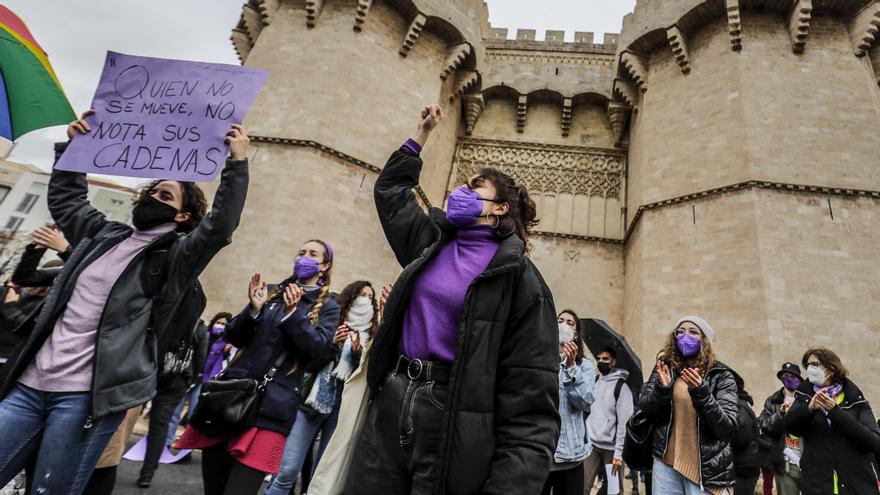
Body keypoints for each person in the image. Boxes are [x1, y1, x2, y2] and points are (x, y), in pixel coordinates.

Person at [0, 110, 250, 495]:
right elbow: (68, 198)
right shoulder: (104, 235)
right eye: (151, 190)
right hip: (30, 385)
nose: (153, 196)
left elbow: (219, 228)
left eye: (165, 195)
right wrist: (74, 147)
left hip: (85, 399)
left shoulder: (175, 258)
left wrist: (237, 163)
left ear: (183, 215)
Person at [345, 104, 559, 495]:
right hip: (391, 397)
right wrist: (421, 135)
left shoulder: (524, 284)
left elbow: (531, 401)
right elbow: (390, 193)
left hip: (450, 416)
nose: (462, 190)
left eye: (475, 187)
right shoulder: (430, 242)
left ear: (499, 209)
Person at [175, 239, 340, 495]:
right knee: (214, 488)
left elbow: (316, 351)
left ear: (325, 265)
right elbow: (234, 336)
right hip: (231, 398)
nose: (304, 257)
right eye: (301, 252)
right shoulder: (272, 292)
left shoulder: (329, 307)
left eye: (312, 254)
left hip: (270, 409)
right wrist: (252, 310)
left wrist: (293, 314)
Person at [264, 280, 379, 495]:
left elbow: (363, 379)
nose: (366, 300)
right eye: (361, 294)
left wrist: (356, 354)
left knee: (322, 477)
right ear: (350, 297)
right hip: (311, 403)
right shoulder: (331, 321)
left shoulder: (370, 338)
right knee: (287, 471)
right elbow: (310, 362)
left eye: (370, 297)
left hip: (341, 411)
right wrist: (333, 344)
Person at [637, 316, 738, 495]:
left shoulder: (721, 375)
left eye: (693, 332)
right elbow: (645, 410)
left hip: (705, 471)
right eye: (680, 332)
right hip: (666, 463)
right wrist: (662, 389)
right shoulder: (665, 367)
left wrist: (702, 393)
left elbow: (727, 429)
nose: (685, 336)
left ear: (704, 340)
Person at [782, 348, 880, 495]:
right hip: (818, 484)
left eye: (815, 364)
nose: (810, 369)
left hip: (856, 482)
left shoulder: (855, 400)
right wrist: (808, 409)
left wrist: (836, 413)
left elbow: (873, 441)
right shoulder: (805, 396)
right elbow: (790, 426)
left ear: (831, 368)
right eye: (808, 365)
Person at [540, 309, 594, 495]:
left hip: (571, 456)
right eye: (560, 320)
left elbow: (585, 402)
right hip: (543, 453)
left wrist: (571, 368)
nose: (564, 324)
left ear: (576, 333)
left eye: (570, 323)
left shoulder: (584, 367)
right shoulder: (540, 360)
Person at [166, 312, 234, 448]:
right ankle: (166, 442)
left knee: (194, 413)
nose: (219, 326)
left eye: (224, 324)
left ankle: (185, 446)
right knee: (175, 410)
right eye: (218, 322)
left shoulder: (226, 343)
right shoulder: (203, 335)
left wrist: (228, 349)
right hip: (189, 376)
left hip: (205, 380)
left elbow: (224, 362)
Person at [584, 345, 635, 493]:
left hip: (612, 450)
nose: (601, 362)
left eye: (605, 359)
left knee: (613, 490)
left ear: (613, 362)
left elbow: (624, 425)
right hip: (592, 446)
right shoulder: (595, 381)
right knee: (582, 487)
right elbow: (589, 411)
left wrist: (619, 454)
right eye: (599, 359)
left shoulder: (621, 388)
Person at [757, 362, 804, 495]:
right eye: (785, 375)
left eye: (792, 376)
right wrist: (780, 415)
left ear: (799, 380)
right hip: (784, 463)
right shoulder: (773, 401)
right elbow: (763, 424)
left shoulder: (807, 399)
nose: (788, 378)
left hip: (807, 461)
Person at [730, 371, 761, 495]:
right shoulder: (739, 404)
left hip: (743, 469)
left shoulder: (740, 407)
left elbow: (741, 438)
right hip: (743, 467)